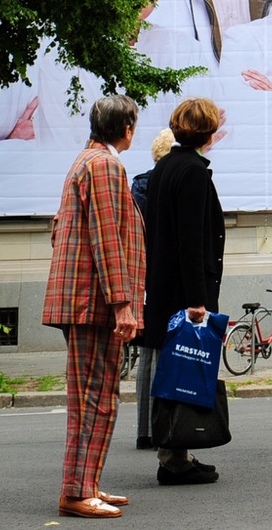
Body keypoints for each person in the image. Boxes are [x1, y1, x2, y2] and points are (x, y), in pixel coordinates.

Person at [42, 94, 146, 519]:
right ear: (126, 129)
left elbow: (59, 230)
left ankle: (87, 483)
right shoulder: (103, 166)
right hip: (94, 302)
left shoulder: (85, 161)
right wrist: (123, 303)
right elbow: (107, 237)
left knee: (97, 396)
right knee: (94, 399)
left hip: (85, 298)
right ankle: (76, 490)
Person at [142, 98, 226, 485]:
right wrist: (198, 301)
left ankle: (176, 454)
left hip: (163, 286)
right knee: (182, 373)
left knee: (173, 372)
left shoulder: (165, 169)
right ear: (208, 132)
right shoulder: (192, 172)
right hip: (183, 292)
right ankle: (174, 459)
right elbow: (192, 241)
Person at [130, 127, 176, 452]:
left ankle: (143, 430)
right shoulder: (171, 183)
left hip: (141, 273)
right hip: (163, 274)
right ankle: (162, 429)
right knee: (161, 349)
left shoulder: (140, 184)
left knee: (146, 351)